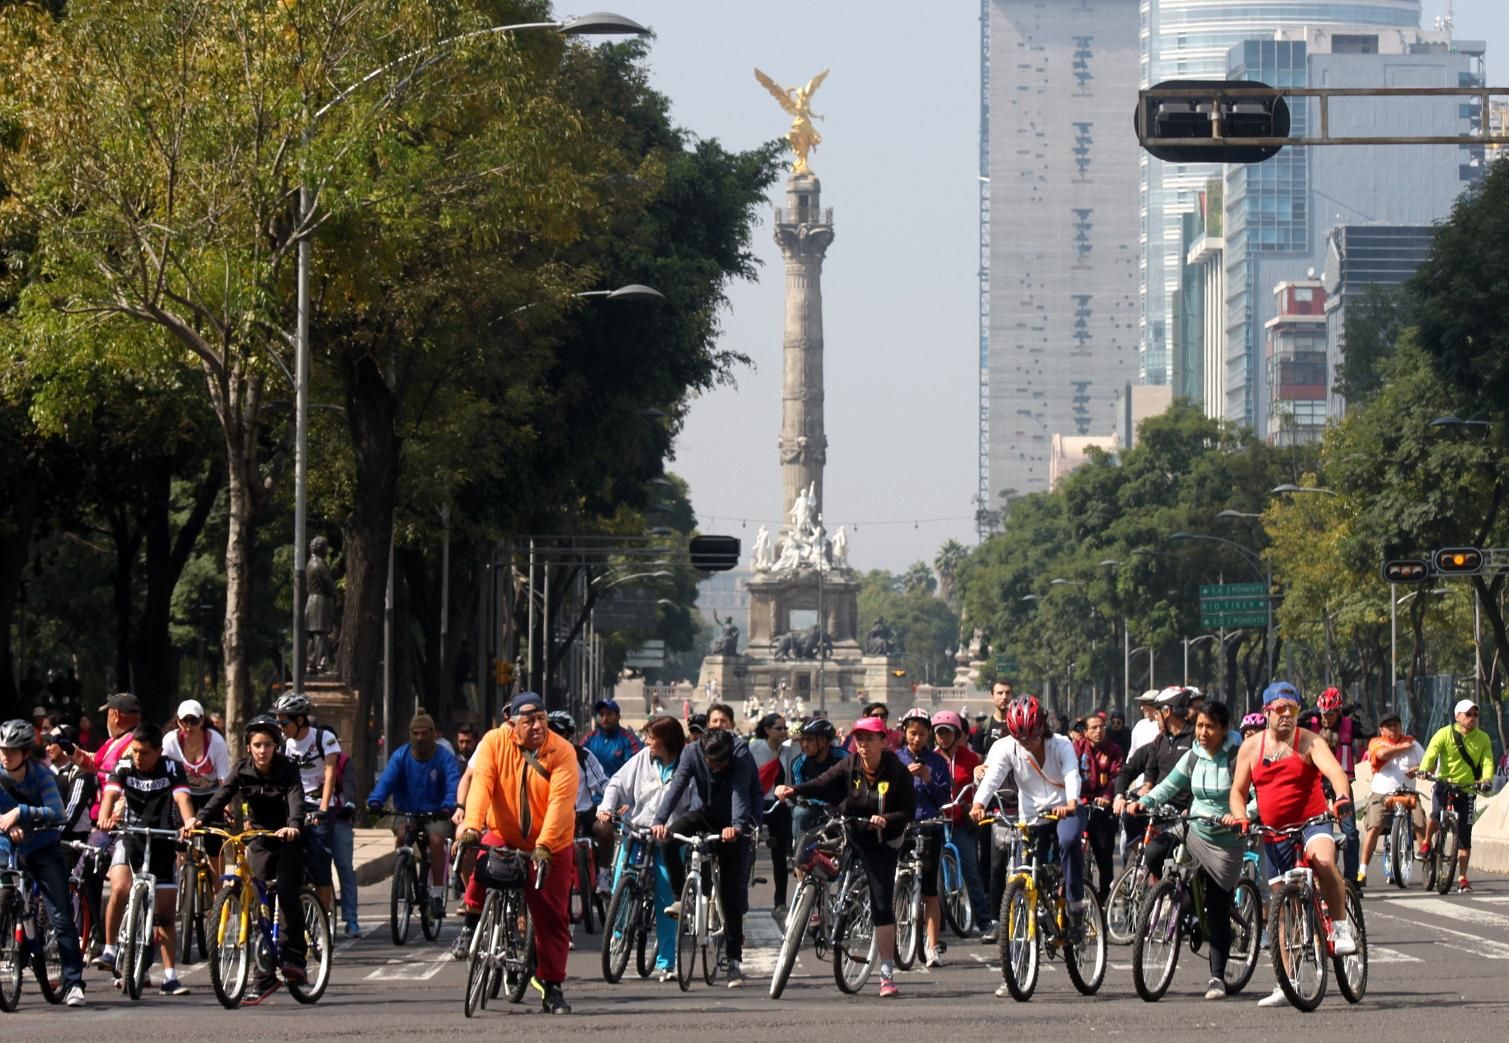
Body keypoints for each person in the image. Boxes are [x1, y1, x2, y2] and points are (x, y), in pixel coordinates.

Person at [1228, 681, 1357, 1008]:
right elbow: (1238, 792)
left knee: (1324, 863)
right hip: (1273, 833)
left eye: (1293, 710)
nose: (1286, 716)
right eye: (1279, 710)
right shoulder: (1250, 749)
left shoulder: (1310, 742)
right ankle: (1288, 982)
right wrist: (1241, 816)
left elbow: (1336, 774)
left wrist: (1341, 797)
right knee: (1281, 913)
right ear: (1266, 712)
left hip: (1313, 822)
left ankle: (1340, 927)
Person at [776, 715, 915, 998]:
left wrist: (886, 819)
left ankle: (886, 973)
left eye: (869, 739)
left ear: (883, 741)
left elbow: (908, 811)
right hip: (852, 828)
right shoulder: (850, 764)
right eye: (859, 738)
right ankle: (814, 904)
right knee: (814, 849)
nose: (863, 744)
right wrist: (793, 790)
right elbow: (823, 782)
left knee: (880, 903)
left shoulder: (897, 771)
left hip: (882, 840)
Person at [459, 692, 580, 1015]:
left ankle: (552, 986)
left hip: (551, 842)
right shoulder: (493, 742)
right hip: (505, 832)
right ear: (511, 723)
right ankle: (471, 921)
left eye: (541, 718)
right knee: (480, 856)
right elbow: (481, 784)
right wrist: (472, 825)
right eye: (529, 720)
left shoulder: (563, 751)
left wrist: (544, 845)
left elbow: (560, 804)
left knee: (553, 917)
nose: (538, 725)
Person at [183, 714, 307, 1005]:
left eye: (267, 745)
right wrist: (198, 819)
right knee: (258, 899)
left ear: (276, 745)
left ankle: (295, 960)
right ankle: (263, 978)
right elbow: (221, 795)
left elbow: (295, 798)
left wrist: (294, 825)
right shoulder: (242, 769)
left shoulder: (288, 769)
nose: (262, 751)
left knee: (287, 894)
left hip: (288, 836)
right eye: (256, 745)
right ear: (248, 748)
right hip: (261, 838)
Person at [1126, 701, 1244, 1001]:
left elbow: (1253, 796)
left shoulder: (1237, 757)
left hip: (1225, 838)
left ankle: (1217, 977)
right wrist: (1145, 802)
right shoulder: (1194, 755)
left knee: (1217, 907)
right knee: (1154, 852)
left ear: (1224, 728)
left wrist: (1241, 815)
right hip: (1194, 825)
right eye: (1200, 726)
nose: (1203, 733)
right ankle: (1184, 901)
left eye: (1210, 727)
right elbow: (1169, 785)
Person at [970, 695, 1082, 996]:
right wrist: (978, 802)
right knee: (1018, 890)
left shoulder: (1061, 745)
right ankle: (1014, 972)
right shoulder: (1009, 747)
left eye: (1030, 736)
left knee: (1070, 841)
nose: (1026, 743)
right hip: (1031, 816)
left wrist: (1071, 802)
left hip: (1063, 810)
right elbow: (993, 777)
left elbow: (1072, 772)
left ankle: (1075, 907)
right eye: (1019, 737)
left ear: (1041, 728)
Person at [651, 726, 762, 988]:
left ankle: (733, 961)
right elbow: (677, 786)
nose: (716, 768)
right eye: (711, 763)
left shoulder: (740, 753)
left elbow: (739, 791)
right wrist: (660, 820)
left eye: (721, 763)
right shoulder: (691, 753)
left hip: (736, 820)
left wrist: (736, 826)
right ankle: (681, 898)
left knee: (731, 893)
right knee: (668, 840)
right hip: (703, 814)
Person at [97, 723, 196, 995]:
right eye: (135, 751)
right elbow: (111, 794)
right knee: (119, 887)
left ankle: (170, 977)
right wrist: (104, 818)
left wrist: (188, 822)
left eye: (144, 753)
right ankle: (109, 949)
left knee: (164, 916)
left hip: (164, 840)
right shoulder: (125, 767)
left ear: (158, 752)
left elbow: (182, 797)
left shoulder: (172, 768)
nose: (138, 757)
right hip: (131, 837)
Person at [594, 716, 691, 982]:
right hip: (637, 832)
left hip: (668, 839)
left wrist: (676, 828)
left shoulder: (687, 765)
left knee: (665, 898)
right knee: (620, 885)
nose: (647, 742)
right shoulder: (641, 760)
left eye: (652, 738)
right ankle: (617, 936)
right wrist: (606, 809)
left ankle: (666, 961)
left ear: (667, 741)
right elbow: (616, 784)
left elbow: (694, 806)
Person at [0, 719, 88, 1006]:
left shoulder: (41, 776)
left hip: (43, 848)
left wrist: (21, 813)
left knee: (61, 915)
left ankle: (74, 982)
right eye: (2, 749)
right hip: (8, 848)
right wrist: (7, 823)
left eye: (12, 751)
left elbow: (57, 813)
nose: (5, 755)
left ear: (26, 752)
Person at [367, 710, 462, 922]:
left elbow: (452, 784)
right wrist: (375, 800)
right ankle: (402, 876)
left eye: (424, 733)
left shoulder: (443, 758)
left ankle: (437, 893)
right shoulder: (401, 756)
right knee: (402, 835)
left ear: (433, 734)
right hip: (406, 812)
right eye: (415, 733)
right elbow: (387, 780)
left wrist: (448, 806)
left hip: (436, 813)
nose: (420, 738)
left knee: (437, 841)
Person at [273, 691, 346, 920]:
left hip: (320, 804)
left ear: (300, 720)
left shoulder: (324, 739)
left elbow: (330, 773)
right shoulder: (284, 745)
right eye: (278, 722)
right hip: (295, 805)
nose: (280, 726)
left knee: (320, 867)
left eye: (284, 722)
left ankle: (323, 920)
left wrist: (323, 809)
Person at [1114, 686, 1198, 880]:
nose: (1154, 719)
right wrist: (1142, 788)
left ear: (1167, 712)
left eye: (1157, 713)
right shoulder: (1160, 740)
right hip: (1158, 805)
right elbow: (1147, 769)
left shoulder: (1195, 738)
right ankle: (1143, 859)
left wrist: (1191, 807)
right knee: (1130, 814)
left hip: (1184, 813)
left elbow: (1199, 776)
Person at [1416, 698, 1494, 893]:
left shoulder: (1482, 738)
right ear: (1457, 717)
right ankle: (1426, 843)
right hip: (1444, 783)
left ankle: (1462, 877)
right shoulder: (1444, 734)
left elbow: (1487, 761)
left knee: (1465, 836)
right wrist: (1424, 770)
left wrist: (1486, 779)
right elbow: (1431, 753)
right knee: (1435, 814)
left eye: (1475, 714)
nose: (1472, 718)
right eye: (1468, 714)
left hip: (1467, 788)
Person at [896, 707, 951, 967]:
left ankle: (932, 946)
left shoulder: (938, 762)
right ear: (904, 733)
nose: (916, 739)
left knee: (930, 889)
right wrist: (902, 777)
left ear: (929, 734)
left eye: (921, 734)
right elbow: (885, 792)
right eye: (912, 733)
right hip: (902, 826)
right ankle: (895, 935)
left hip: (929, 827)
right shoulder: (895, 759)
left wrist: (928, 778)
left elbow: (942, 798)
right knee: (897, 879)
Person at [932, 710, 988, 938]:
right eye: (939, 733)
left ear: (957, 734)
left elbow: (980, 788)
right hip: (938, 822)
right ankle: (939, 922)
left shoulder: (971, 758)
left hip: (961, 823)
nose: (943, 738)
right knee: (933, 874)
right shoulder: (932, 759)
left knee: (970, 870)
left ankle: (984, 921)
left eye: (948, 733)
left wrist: (973, 805)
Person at [546, 712, 611, 894]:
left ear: (569, 734)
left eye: (560, 733)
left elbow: (603, 784)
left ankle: (604, 876)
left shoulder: (582, 755)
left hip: (583, 812)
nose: (555, 737)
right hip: (553, 814)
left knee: (604, 829)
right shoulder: (539, 756)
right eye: (550, 731)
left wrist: (615, 803)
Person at [1358, 711, 1425, 880]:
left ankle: (1427, 865)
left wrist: (1417, 770)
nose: (1393, 728)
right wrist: (1401, 748)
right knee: (1374, 827)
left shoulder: (1413, 744)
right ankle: (1362, 871)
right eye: (1389, 726)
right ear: (1382, 730)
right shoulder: (1376, 742)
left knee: (1420, 823)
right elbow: (1380, 755)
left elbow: (1426, 764)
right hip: (1382, 795)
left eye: (1396, 724)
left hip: (1408, 793)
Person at [1305, 687, 1363, 881]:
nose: (1325, 718)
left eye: (1330, 714)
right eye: (1323, 714)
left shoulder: (1349, 725)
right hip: (1317, 784)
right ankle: (1320, 876)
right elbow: (1294, 722)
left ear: (1338, 713)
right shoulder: (1312, 724)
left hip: (1342, 785)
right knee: (1318, 829)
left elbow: (1371, 731)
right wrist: (1313, 711)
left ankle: (1352, 879)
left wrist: (1354, 711)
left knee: (1350, 833)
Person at [750, 712, 796, 923]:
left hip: (780, 804)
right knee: (746, 848)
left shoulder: (787, 751)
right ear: (767, 730)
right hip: (758, 802)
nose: (784, 732)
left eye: (785, 728)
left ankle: (780, 901)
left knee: (779, 855)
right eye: (779, 728)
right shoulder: (755, 748)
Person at [1075, 711, 1124, 905]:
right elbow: (1069, 773)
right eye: (1094, 728)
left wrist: (1107, 796)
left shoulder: (1114, 750)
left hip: (1103, 807)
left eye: (1102, 727)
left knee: (1104, 855)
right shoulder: (1076, 749)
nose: (1099, 731)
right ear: (1085, 732)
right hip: (1079, 804)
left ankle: (1104, 900)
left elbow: (1117, 777)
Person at [45, 724, 97, 843]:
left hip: (73, 839)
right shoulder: (49, 770)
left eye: (51, 743)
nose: (47, 748)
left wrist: (53, 835)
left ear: (65, 744)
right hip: (50, 836)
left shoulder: (80, 771)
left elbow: (73, 808)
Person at [582, 699, 643, 779]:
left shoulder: (629, 740)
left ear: (618, 717)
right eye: (601, 714)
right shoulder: (589, 739)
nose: (605, 718)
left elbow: (635, 770)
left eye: (609, 714)